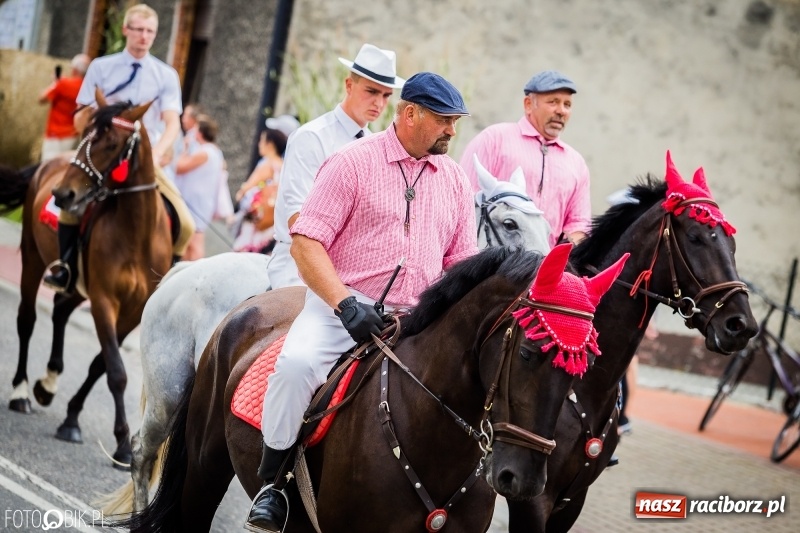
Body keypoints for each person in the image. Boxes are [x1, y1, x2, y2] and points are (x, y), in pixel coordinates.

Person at [245, 72, 476, 532]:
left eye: (455, 122)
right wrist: (345, 304)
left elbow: (462, 262)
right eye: (445, 121)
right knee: (295, 367)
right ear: (410, 114)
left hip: (418, 319)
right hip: (341, 310)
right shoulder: (350, 163)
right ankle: (273, 484)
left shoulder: (454, 179)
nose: (452, 131)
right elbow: (307, 243)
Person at [42, 3, 195, 293]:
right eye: (138, 29)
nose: (144, 36)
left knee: (185, 224)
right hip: (103, 154)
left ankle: (166, 286)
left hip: (143, 159)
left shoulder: (166, 75)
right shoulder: (101, 67)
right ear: (126, 30)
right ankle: (65, 267)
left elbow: (172, 123)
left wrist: (160, 152)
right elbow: (79, 118)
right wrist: (90, 119)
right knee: (71, 206)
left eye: (150, 31)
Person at [267, 43, 404, 289]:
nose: (379, 103)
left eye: (386, 95)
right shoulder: (312, 137)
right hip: (298, 264)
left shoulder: (377, 146)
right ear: (349, 85)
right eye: (371, 91)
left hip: (354, 271)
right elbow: (298, 219)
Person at [459, 69, 591, 246]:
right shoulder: (494, 139)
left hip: (546, 268)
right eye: (553, 102)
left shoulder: (576, 163)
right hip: (494, 268)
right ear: (528, 104)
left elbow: (579, 223)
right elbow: (464, 201)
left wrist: (569, 246)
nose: (561, 111)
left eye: (567, 105)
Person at [233, 114, 300, 253]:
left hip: (255, 221)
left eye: (262, 140)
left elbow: (246, 189)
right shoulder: (283, 166)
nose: (259, 144)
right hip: (270, 222)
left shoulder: (267, 164)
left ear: (270, 143)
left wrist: (241, 192)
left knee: (242, 252)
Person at [174, 114, 224, 260]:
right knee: (192, 239)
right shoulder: (214, 151)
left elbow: (179, 167)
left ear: (200, 132)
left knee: (195, 241)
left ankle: (194, 269)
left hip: (196, 203)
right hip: (201, 201)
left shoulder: (204, 152)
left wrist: (184, 148)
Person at [38, 53, 91, 161]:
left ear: (75, 70)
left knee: (48, 167)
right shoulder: (88, 88)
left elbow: (42, 99)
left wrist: (55, 82)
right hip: (74, 135)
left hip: (55, 135)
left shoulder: (62, 84)